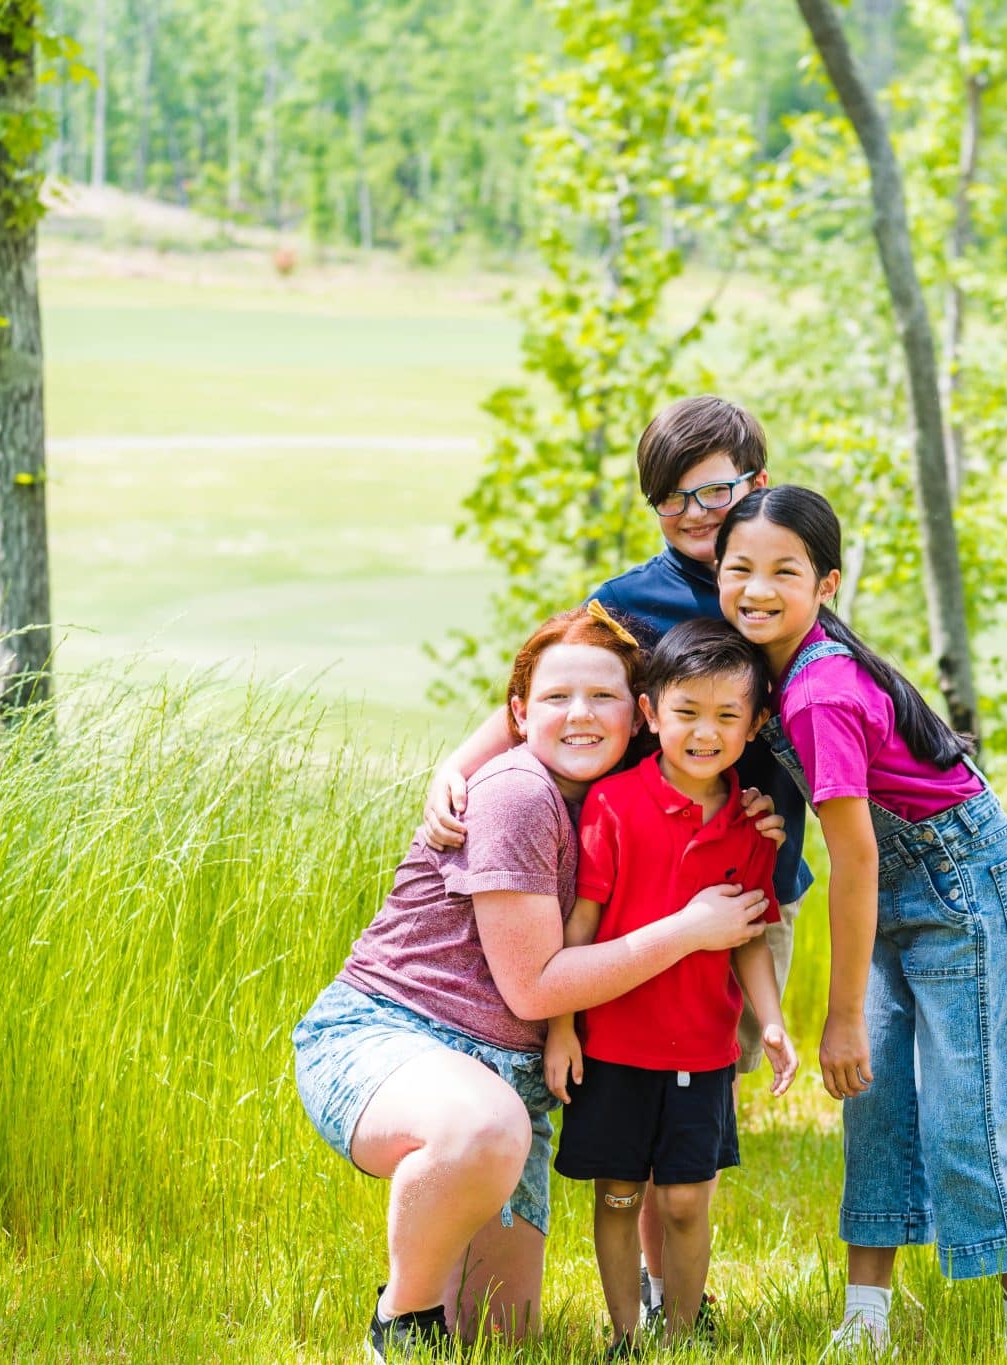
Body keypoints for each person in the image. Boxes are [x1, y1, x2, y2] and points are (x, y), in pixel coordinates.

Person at [291, 605, 780, 1360]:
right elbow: (534, 990)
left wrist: (745, 813)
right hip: (392, 1035)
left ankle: (439, 1273)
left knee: (502, 1337)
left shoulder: (627, 786)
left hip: (513, 1075)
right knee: (481, 1131)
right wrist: (691, 926)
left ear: (639, 714)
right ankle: (402, 1322)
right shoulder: (518, 793)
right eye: (555, 698)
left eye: (603, 697)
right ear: (519, 713)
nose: (579, 715)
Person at [420, 395, 812, 1321]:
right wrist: (458, 763)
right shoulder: (635, 599)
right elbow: (548, 674)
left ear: (755, 481)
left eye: (716, 489)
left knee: (706, 1087)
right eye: (672, 498)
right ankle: (654, 1295)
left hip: (751, 877)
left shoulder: (780, 576)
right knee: (631, 1086)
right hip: (641, 884)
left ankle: (676, 1280)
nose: (696, 513)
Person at [714, 486, 1007, 1354]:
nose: (757, 588)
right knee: (871, 1102)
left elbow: (856, 857)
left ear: (826, 584)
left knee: (968, 1105)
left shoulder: (819, 690)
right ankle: (866, 1318)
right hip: (900, 883)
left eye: (783, 572)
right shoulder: (775, 667)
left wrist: (840, 1017)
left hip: (959, 887)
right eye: (738, 568)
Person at [546, 617, 801, 1355]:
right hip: (615, 1047)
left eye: (727, 716)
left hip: (703, 1047)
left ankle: (685, 1334)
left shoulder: (755, 827)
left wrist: (775, 1021)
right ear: (651, 713)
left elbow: (749, 934)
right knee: (620, 1193)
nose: (704, 732)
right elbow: (581, 923)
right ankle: (626, 1337)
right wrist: (562, 1026)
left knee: (686, 1198)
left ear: (754, 726)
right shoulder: (613, 805)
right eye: (686, 712)